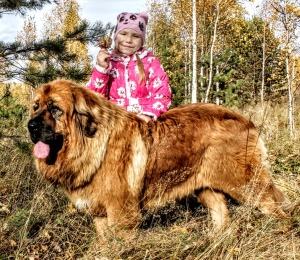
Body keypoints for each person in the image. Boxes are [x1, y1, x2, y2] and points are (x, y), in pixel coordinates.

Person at [86, 12, 172, 122]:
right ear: (115, 37)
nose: (128, 40)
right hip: (115, 123)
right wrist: (101, 70)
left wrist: (149, 114)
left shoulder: (151, 61)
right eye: (124, 34)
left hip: (143, 123)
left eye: (135, 36)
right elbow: (94, 97)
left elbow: (162, 92)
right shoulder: (109, 62)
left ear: (142, 40)